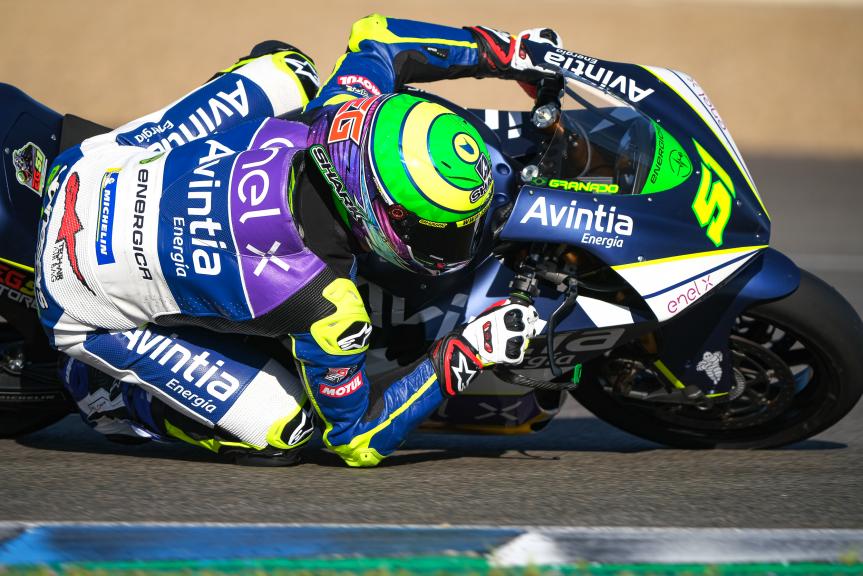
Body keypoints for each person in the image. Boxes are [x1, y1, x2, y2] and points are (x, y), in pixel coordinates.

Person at [35, 15, 560, 467]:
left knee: (290, 69)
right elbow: (356, 440)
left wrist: (508, 53)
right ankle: (110, 398)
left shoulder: (341, 108)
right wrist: (463, 356)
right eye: (426, 229)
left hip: (85, 166)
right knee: (288, 430)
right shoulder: (329, 308)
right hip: (75, 297)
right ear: (375, 215)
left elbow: (377, 35)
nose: (443, 243)